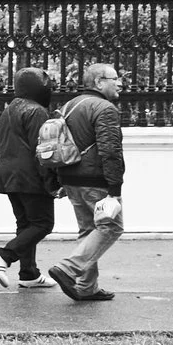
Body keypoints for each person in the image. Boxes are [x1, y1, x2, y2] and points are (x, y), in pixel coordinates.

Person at [46, 63, 126, 302]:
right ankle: (68, 268)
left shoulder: (68, 106)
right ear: (99, 82)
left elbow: (56, 143)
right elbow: (110, 150)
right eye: (115, 78)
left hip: (71, 179)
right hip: (95, 181)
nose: (120, 83)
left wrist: (58, 179)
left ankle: (86, 286)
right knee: (111, 227)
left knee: (89, 229)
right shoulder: (104, 108)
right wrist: (114, 187)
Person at [0, 67, 61, 289]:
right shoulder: (36, 111)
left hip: (9, 175)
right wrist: (52, 183)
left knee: (26, 224)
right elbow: (43, 151)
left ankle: (29, 274)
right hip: (30, 177)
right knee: (43, 223)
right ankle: (4, 255)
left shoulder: (9, 109)